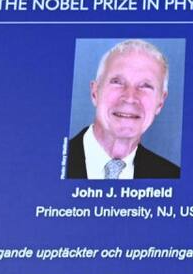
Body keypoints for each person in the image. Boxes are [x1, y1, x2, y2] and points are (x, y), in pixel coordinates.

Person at [66, 39, 180, 179]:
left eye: (145, 86)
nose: (130, 97)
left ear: (160, 103)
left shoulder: (171, 176)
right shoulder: (50, 162)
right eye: (117, 82)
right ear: (95, 92)